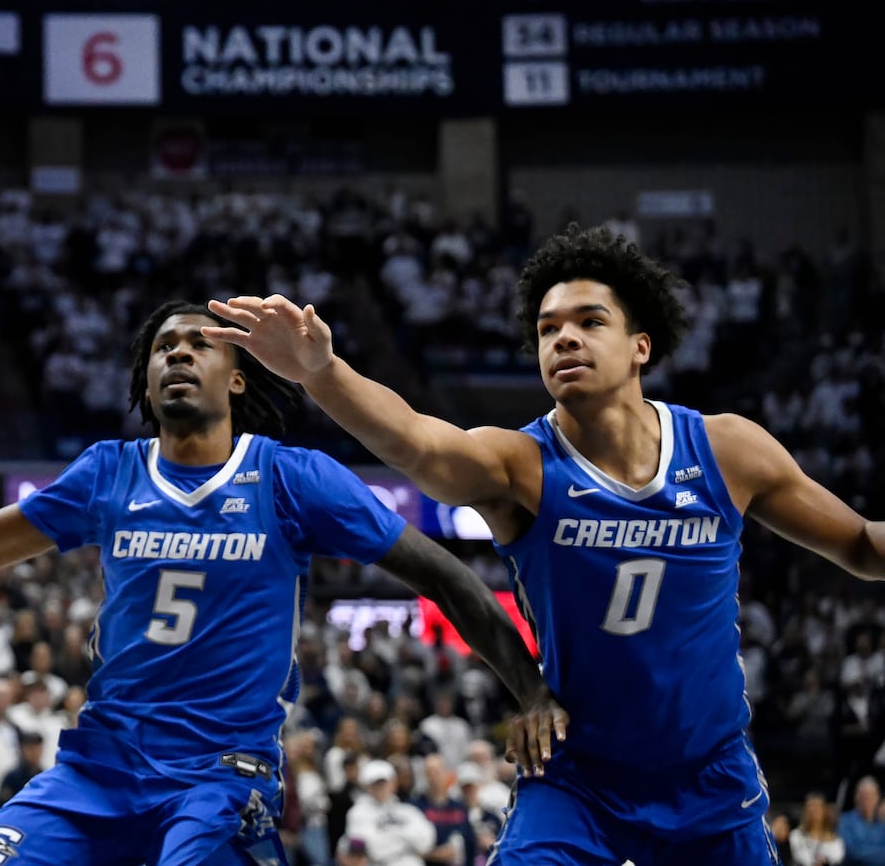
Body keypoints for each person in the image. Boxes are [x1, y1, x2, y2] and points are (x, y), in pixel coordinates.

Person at [204, 224, 885, 864]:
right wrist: (322, 373)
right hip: (577, 776)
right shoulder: (522, 466)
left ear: (640, 345)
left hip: (708, 774)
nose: (564, 338)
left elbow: (860, 543)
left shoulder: (727, 449)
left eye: (590, 322)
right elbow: (415, 440)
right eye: (547, 328)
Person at [0, 302, 563, 866]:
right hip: (101, 766)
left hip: (221, 772)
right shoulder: (107, 472)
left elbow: (444, 575)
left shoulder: (291, 478)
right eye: (162, 347)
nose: (177, 352)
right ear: (146, 384)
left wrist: (531, 692)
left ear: (236, 379)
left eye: (198, 343)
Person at [344, 760, 435, 866]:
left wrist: (390, 834)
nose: (380, 788)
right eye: (375, 784)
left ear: (393, 783)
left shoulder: (408, 811)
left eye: (383, 783)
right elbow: (371, 849)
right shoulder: (357, 813)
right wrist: (406, 841)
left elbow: (427, 842)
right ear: (367, 787)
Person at [789, 792, 845, 866]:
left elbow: (837, 858)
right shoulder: (796, 836)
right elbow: (800, 858)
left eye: (816, 807)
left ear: (824, 811)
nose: (812, 810)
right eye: (809, 807)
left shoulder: (837, 842)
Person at [841, 776, 885, 865]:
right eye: (863, 796)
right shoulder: (845, 821)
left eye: (871, 796)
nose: (866, 801)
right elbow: (850, 851)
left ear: (877, 798)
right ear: (856, 797)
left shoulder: (882, 822)